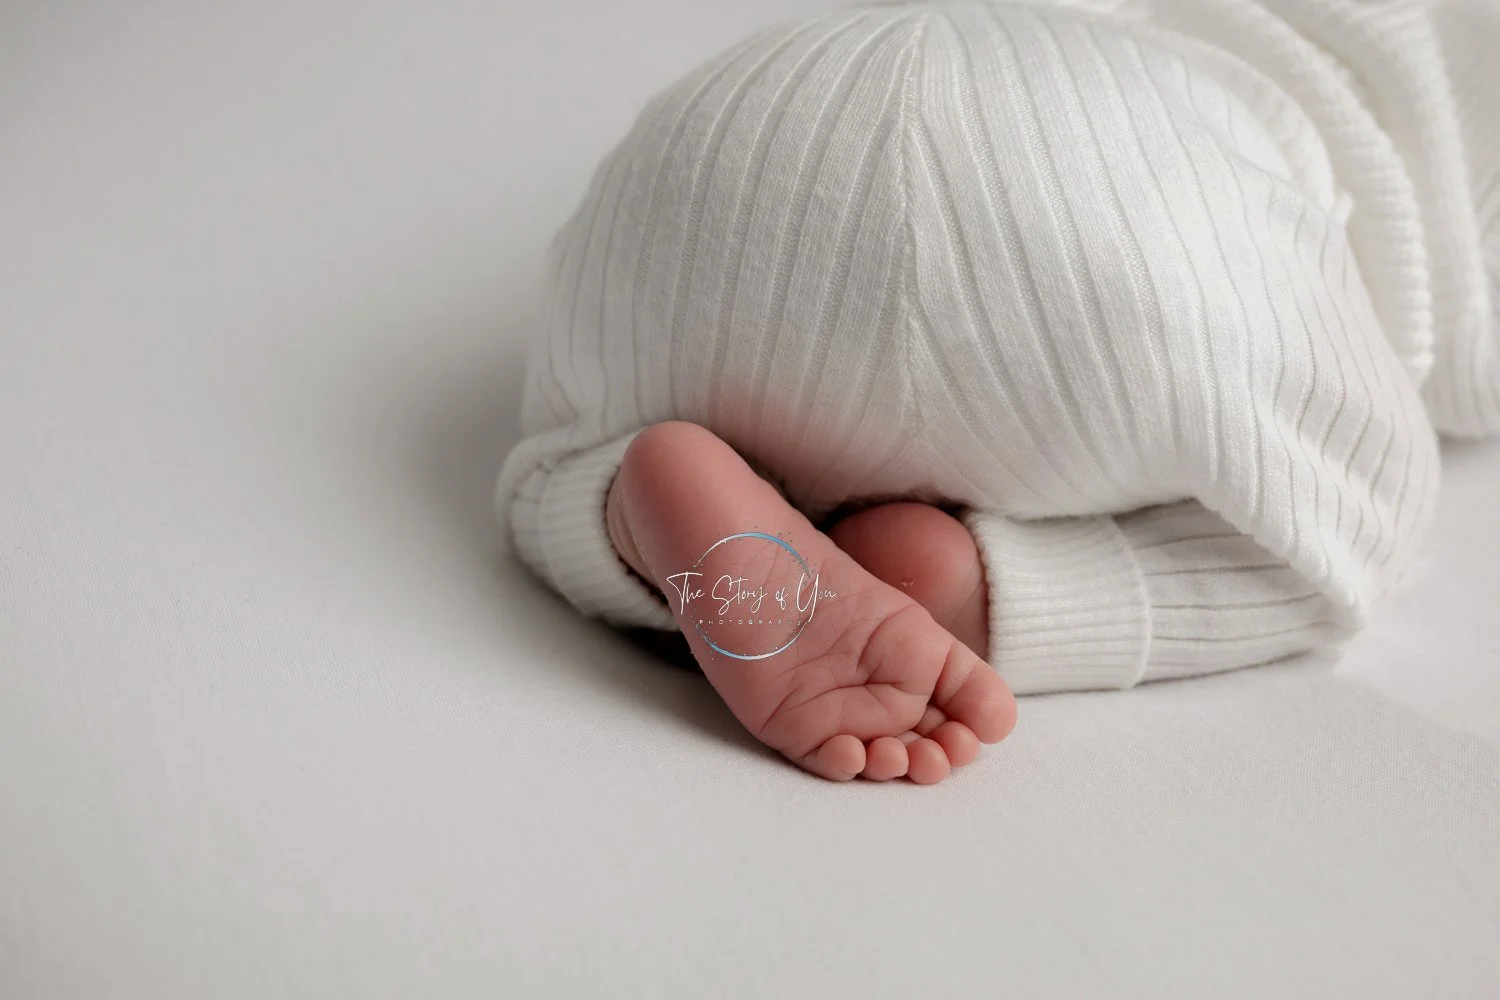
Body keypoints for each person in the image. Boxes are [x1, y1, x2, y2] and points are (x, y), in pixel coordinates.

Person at [496, 0, 1500, 782]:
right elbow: (1467, 367)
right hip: (1144, 220)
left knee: (559, 437)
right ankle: (981, 592)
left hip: (759, 135)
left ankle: (623, 506)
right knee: (1355, 511)